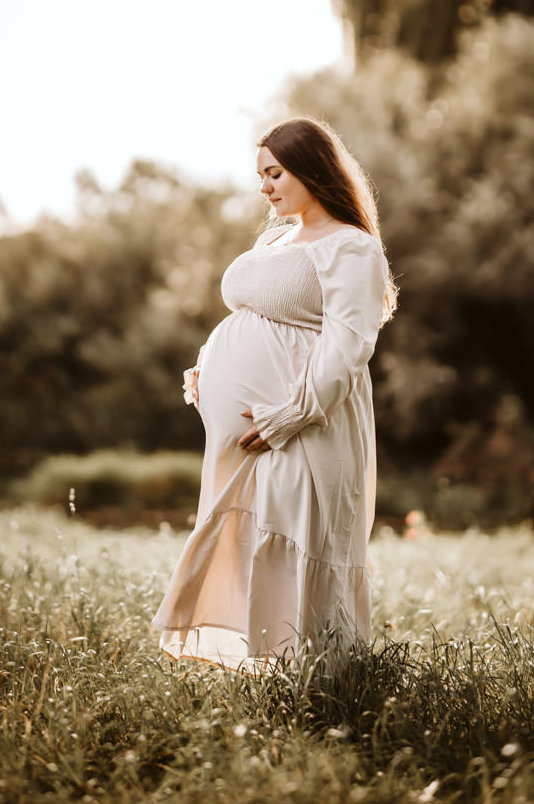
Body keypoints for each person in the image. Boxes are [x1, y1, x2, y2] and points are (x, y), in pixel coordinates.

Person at [153, 117, 397, 671]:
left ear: (312, 169)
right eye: (261, 175)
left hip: (307, 427)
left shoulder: (352, 249)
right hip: (249, 432)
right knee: (251, 535)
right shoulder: (276, 238)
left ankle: (323, 678)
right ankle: (266, 666)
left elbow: (348, 347)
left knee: (296, 531)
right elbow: (257, 315)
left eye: (275, 172)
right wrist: (209, 367)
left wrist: (290, 414)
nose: (264, 186)